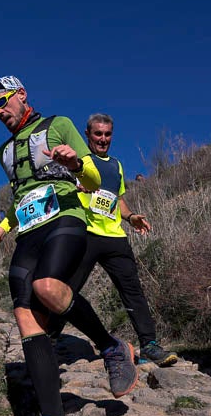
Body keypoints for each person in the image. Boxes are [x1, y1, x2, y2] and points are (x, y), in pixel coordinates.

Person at [0, 76, 138, 416]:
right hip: (28, 233)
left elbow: (94, 179)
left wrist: (77, 163)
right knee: (25, 317)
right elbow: (23, 197)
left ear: (21, 95)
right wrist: (1, 230)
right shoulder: (4, 151)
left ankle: (111, 347)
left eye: (2, 101)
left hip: (65, 218)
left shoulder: (58, 125)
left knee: (48, 287)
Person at [45, 113, 178, 366]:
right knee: (67, 289)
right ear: (87, 135)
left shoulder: (116, 165)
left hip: (115, 237)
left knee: (133, 292)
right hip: (84, 234)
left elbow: (117, 199)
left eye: (107, 134)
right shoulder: (77, 161)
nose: (103, 139)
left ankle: (149, 345)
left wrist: (131, 217)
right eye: (98, 134)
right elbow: (57, 189)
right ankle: (48, 339)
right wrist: (75, 185)